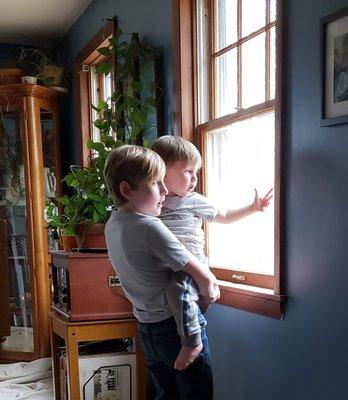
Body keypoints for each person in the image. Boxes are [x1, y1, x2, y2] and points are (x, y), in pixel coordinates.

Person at [104, 144, 220, 400]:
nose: (166, 191)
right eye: (156, 183)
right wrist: (209, 287)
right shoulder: (149, 227)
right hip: (176, 328)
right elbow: (196, 271)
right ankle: (193, 343)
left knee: (164, 394)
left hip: (147, 327)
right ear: (126, 190)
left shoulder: (113, 225)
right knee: (197, 394)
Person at [152, 135, 272, 339]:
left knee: (178, 288)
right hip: (164, 265)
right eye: (188, 171)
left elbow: (224, 216)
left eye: (196, 172)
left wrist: (252, 208)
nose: (194, 179)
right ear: (162, 173)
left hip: (191, 266)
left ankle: (191, 341)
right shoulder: (154, 203)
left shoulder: (194, 201)